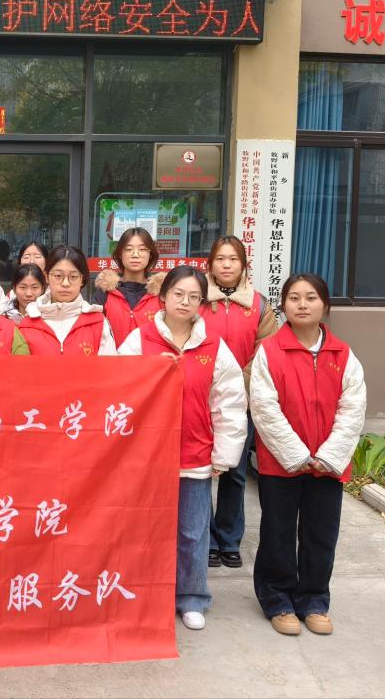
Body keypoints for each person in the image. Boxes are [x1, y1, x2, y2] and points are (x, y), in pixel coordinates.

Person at [118, 265, 247, 632]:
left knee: (193, 531)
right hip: (146, 457)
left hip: (194, 453)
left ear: (202, 303)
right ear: (163, 297)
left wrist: (225, 455)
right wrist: (149, 371)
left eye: (194, 296)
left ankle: (192, 597)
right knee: (144, 531)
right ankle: (145, 595)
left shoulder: (214, 346)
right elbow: (117, 388)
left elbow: (229, 403)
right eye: (178, 294)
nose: (185, 302)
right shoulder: (139, 340)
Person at [250, 273, 366, 637]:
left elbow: (353, 409)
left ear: (325, 305)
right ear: (283, 305)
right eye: (294, 298)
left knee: (321, 534)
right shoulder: (269, 352)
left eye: (311, 297)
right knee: (278, 532)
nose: (302, 304)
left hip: (328, 465)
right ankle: (278, 599)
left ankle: (314, 599)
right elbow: (264, 408)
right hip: (281, 463)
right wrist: (297, 455)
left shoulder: (343, 354)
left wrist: (328, 455)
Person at [200, 236, 280, 570]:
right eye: (220, 259)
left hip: (241, 401)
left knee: (235, 472)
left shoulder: (259, 305)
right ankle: (206, 539)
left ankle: (229, 539)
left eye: (233, 259)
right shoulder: (196, 298)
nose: (226, 265)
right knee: (199, 472)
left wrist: (235, 387)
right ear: (210, 264)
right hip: (200, 399)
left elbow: (266, 352)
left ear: (244, 264)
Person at [18, 245, 116, 355]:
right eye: (58, 276)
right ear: (46, 277)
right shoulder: (27, 325)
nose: (65, 283)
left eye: (73, 277)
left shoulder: (98, 323)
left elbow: (109, 365)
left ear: (82, 280)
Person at [92, 228, 164, 348]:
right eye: (129, 249)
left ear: (150, 254)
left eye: (142, 249)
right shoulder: (105, 292)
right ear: (120, 254)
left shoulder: (162, 294)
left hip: (150, 359)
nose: (135, 255)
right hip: (111, 359)